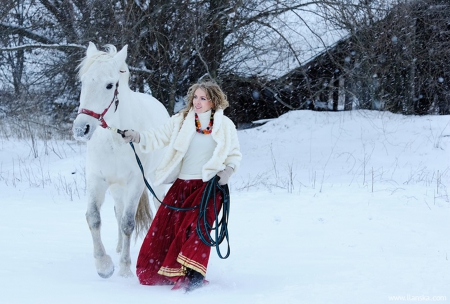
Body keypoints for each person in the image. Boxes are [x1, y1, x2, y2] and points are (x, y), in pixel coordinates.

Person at [122, 81, 242, 291]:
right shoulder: (181, 121)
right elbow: (157, 136)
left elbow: (234, 154)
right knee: (169, 229)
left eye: (203, 98)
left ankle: (194, 275)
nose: (197, 102)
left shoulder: (225, 126)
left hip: (209, 188)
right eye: (195, 97)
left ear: (213, 101)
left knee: (198, 229)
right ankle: (170, 270)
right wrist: (137, 136)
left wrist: (228, 170)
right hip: (182, 186)